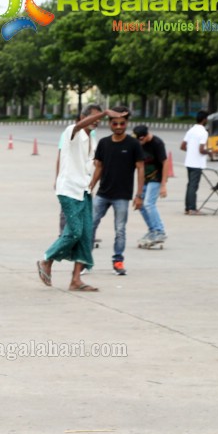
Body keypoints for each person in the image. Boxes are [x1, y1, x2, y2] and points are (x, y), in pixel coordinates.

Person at [36, 104, 124, 293]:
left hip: (83, 190)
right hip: (68, 190)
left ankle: (76, 280)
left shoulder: (92, 138)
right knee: (74, 231)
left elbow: (93, 165)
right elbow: (76, 130)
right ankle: (46, 260)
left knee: (85, 236)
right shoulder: (71, 131)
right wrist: (105, 113)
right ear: (83, 117)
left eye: (99, 118)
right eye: (94, 117)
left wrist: (92, 184)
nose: (98, 120)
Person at [90, 106, 145, 276]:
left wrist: (139, 195)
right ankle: (85, 261)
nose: (119, 126)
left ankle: (118, 261)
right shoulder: (104, 143)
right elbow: (99, 167)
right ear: (110, 124)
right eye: (115, 123)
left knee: (120, 230)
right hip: (102, 194)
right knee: (90, 225)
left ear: (127, 123)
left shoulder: (133, 144)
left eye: (122, 123)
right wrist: (90, 187)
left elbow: (140, 169)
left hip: (122, 196)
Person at [132, 125, 169, 248]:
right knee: (141, 205)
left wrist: (163, 185)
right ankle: (153, 230)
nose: (140, 143)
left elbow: (165, 163)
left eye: (141, 140)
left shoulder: (157, 143)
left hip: (156, 178)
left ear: (147, 135)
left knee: (149, 203)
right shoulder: (138, 143)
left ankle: (159, 231)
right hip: (145, 179)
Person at [181, 110, 209, 215]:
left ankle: (187, 208)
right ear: (204, 119)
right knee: (193, 186)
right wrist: (209, 153)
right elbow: (201, 150)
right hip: (197, 163)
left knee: (190, 185)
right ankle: (192, 208)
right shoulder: (204, 132)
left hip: (189, 162)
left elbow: (182, 146)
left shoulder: (191, 130)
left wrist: (191, 151)